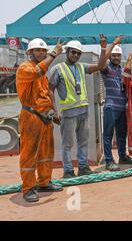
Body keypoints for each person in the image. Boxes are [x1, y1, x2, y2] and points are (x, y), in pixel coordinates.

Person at [49, 35, 111, 178]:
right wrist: (54, 111)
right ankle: (68, 170)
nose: (76, 55)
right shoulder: (58, 69)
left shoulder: (81, 67)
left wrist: (103, 48)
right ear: (67, 52)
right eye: (73, 52)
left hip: (83, 110)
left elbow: (101, 66)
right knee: (67, 144)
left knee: (83, 141)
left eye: (78, 53)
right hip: (68, 112)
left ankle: (83, 167)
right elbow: (49, 90)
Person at [16, 38, 65, 202]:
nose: (41, 53)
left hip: (45, 117)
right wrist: (53, 54)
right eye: (38, 50)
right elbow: (38, 70)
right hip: (30, 116)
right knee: (29, 153)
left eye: (44, 51)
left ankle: (44, 182)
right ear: (30, 52)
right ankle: (28, 188)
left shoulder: (43, 74)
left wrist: (54, 112)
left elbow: (46, 94)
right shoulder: (25, 68)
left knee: (46, 152)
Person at [101, 37, 132, 171]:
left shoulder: (122, 69)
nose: (115, 57)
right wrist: (113, 44)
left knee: (122, 133)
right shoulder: (106, 68)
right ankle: (109, 160)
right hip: (111, 106)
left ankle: (122, 156)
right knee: (108, 134)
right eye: (114, 55)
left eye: (118, 55)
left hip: (122, 107)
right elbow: (103, 60)